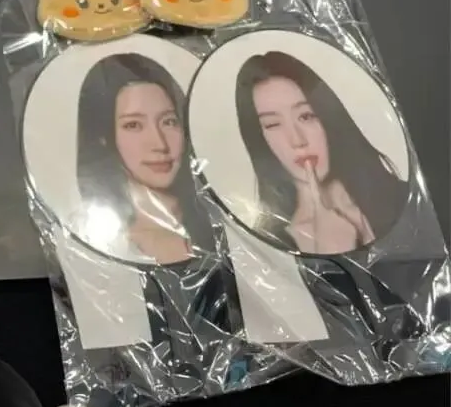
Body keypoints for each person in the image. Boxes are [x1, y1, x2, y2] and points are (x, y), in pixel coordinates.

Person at [235, 51, 407, 254]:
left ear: (329, 116)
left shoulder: (401, 196)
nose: (297, 140)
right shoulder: (270, 247)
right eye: (273, 124)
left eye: (306, 116)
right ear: (259, 138)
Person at [77, 53, 210, 265]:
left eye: (169, 121)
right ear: (103, 136)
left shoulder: (218, 224)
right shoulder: (98, 245)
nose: (160, 144)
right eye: (133, 125)